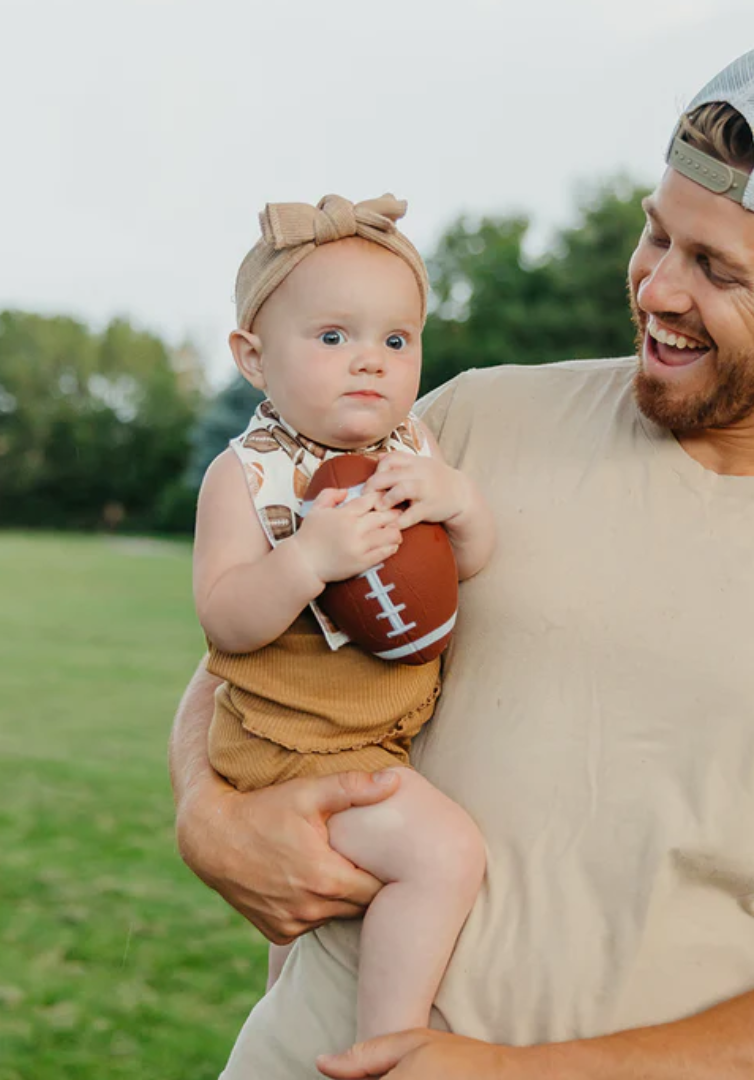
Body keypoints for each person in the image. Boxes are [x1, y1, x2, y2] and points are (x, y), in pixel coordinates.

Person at [171, 39, 754, 1079]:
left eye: (715, 268)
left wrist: (496, 1073)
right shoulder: (469, 421)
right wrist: (207, 816)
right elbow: (246, 657)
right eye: (657, 234)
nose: (658, 289)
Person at [191, 193, 493, 1043]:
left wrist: (459, 504)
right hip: (292, 742)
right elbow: (225, 620)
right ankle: (389, 1043)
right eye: (333, 338)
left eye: (395, 341)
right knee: (443, 854)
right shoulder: (245, 477)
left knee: (306, 949)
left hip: (374, 731)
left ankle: (285, 1026)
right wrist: (306, 560)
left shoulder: (414, 450)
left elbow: (463, 567)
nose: (370, 362)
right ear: (254, 356)